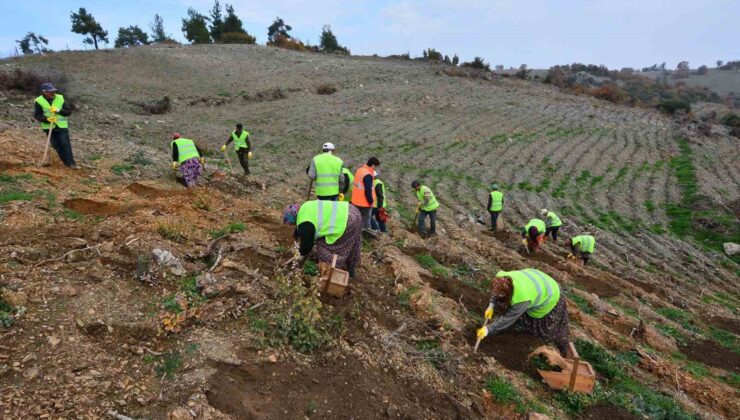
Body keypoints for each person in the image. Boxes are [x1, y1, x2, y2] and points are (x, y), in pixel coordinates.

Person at [477, 269, 570, 356]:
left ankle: (561, 346)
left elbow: (509, 318)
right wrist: (491, 305)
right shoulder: (502, 278)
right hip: (537, 280)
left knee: (545, 329)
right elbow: (496, 291)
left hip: (551, 293)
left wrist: (488, 329)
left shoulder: (522, 297)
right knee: (514, 310)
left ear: (509, 292)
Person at [283, 200, 362, 278]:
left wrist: (301, 254)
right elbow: (303, 228)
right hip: (351, 210)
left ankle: (330, 269)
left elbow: (307, 247)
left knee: (326, 245)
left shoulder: (304, 224)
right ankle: (351, 266)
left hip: (347, 221)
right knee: (352, 241)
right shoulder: (305, 207)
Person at [33, 82, 77, 169]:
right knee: (56, 145)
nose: (53, 93)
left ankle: (71, 163)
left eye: (53, 91)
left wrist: (58, 110)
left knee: (65, 144)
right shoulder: (39, 101)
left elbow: (68, 112)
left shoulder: (60, 98)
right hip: (48, 127)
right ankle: (65, 161)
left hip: (61, 126)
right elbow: (37, 115)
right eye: (50, 91)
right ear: (44, 92)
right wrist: (46, 119)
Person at [351, 157, 380, 230]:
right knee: (366, 220)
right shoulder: (368, 175)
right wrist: (370, 201)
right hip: (364, 202)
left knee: (356, 219)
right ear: (373, 165)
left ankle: (355, 232)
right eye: (375, 167)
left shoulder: (360, 170)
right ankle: (365, 235)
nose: (375, 169)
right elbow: (368, 190)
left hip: (355, 200)